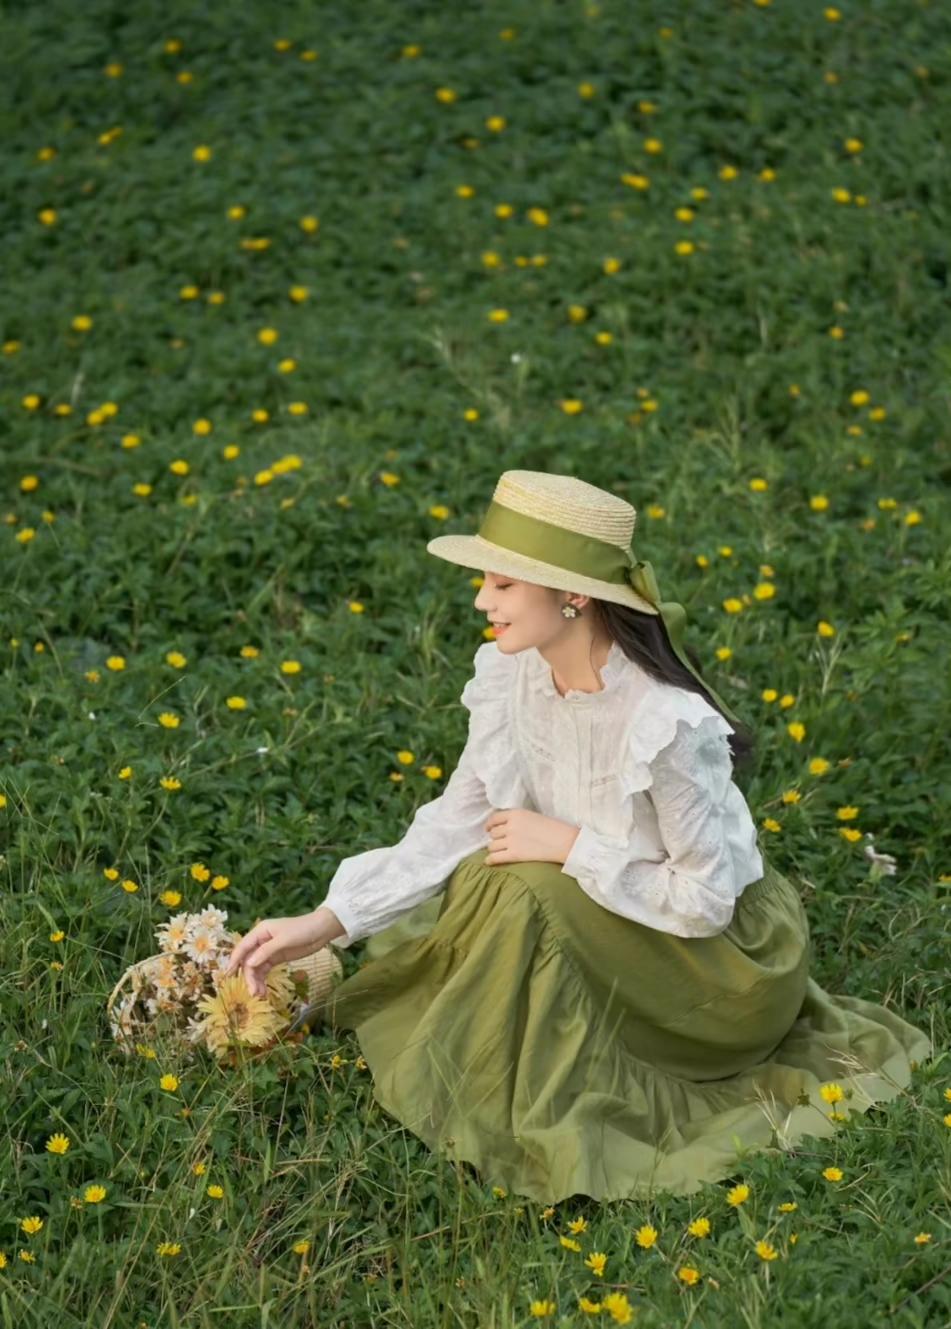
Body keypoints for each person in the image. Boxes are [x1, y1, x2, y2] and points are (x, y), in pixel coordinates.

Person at [223, 469, 933, 1203]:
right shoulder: (513, 676)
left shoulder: (664, 724)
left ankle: (515, 1069)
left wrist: (567, 845)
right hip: (607, 917)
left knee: (518, 881)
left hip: (718, 970)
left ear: (573, 594)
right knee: (490, 867)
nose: (479, 601)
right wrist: (325, 922)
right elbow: (457, 816)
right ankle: (490, 1047)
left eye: (501, 585)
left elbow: (706, 900)